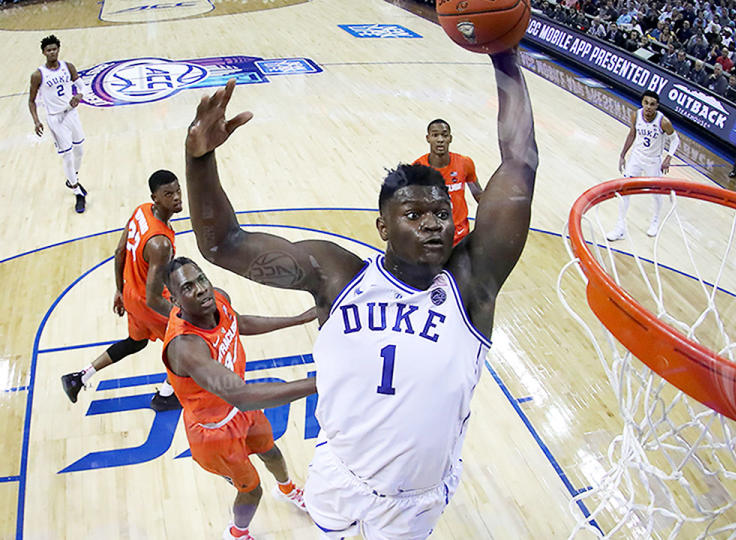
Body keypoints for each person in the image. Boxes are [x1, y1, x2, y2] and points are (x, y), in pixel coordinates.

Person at [182, 48, 537, 538]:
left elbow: (518, 166)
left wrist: (504, 56)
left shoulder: (470, 286)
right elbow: (223, 245)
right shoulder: (337, 275)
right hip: (339, 473)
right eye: (413, 215)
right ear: (382, 227)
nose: (433, 223)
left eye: (440, 214)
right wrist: (199, 159)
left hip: (414, 500)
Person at [161, 257, 318, 540]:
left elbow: (239, 322)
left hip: (240, 410)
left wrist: (299, 319)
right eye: (187, 288)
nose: (200, 290)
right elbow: (243, 397)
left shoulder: (218, 298)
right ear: (174, 300)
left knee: (271, 450)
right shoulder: (186, 347)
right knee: (251, 488)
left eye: (201, 280)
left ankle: (287, 490)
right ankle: (237, 533)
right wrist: (319, 383)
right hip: (214, 433)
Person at [60, 170, 184, 411]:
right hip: (149, 302)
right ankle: (166, 395)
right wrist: (183, 315)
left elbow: (119, 252)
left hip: (130, 293)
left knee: (135, 343)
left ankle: (80, 377)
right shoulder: (160, 243)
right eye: (169, 194)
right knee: (186, 339)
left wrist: (119, 291)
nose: (177, 197)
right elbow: (154, 297)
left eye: (178, 190)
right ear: (156, 198)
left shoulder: (141, 211)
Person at [606, 90, 679, 241]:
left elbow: (675, 140)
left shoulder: (663, 122)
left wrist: (668, 158)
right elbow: (632, 134)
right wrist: (622, 154)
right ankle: (620, 227)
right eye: (646, 103)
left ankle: (655, 221)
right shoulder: (636, 115)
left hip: (653, 161)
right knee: (625, 190)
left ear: (657, 106)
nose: (648, 107)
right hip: (636, 158)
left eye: (652, 104)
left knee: (655, 193)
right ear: (642, 103)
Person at [28, 34, 88, 213]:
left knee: (80, 150)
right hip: (55, 119)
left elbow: (82, 86)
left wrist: (79, 95)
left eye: (54, 49)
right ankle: (77, 191)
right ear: (43, 52)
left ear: (58, 50)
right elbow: (31, 101)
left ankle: (72, 178)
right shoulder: (38, 74)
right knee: (67, 155)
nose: (52, 52)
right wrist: (36, 121)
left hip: (71, 113)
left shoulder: (68, 67)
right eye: (48, 50)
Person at [413, 119, 483, 246]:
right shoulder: (418, 168)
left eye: (444, 135)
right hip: (432, 235)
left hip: (460, 236)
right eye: (435, 135)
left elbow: (478, 195)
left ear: (450, 139)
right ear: (428, 138)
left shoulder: (465, 163)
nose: (440, 139)